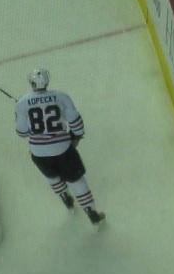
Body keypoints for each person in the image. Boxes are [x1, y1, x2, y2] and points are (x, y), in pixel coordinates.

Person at [14, 68, 106, 229]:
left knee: (53, 177)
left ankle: (66, 199)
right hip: (63, 149)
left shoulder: (22, 102)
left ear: (33, 83)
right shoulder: (61, 97)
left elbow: (21, 133)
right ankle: (92, 214)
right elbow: (76, 123)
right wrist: (75, 137)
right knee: (76, 180)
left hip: (38, 153)